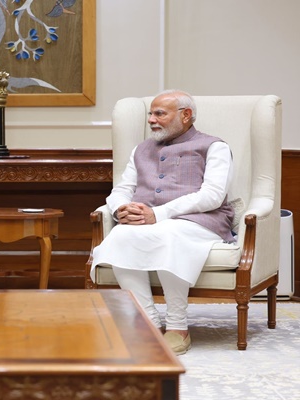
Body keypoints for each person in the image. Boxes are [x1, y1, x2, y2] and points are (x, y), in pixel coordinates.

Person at [90, 90, 234, 355]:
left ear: (186, 115)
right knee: (121, 236)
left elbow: (213, 195)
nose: (151, 120)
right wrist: (120, 208)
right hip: (149, 222)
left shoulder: (214, 146)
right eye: (150, 113)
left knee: (168, 233)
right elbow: (122, 189)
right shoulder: (141, 150)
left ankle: (178, 327)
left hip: (200, 221)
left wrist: (160, 214)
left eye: (160, 114)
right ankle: (146, 321)